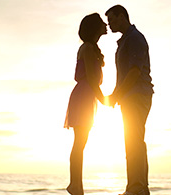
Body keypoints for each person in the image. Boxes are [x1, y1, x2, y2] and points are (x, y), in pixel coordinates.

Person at [105, 5, 154, 195]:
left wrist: (117, 94)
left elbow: (134, 72)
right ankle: (140, 188)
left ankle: (135, 189)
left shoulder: (134, 38)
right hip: (131, 95)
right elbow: (124, 75)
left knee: (134, 142)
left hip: (137, 95)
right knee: (135, 142)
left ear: (122, 16)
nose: (109, 25)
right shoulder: (126, 40)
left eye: (112, 20)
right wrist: (116, 94)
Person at [63, 13, 108, 195]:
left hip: (87, 96)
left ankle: (76, 185)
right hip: (84, 96)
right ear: (95, 27)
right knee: (79, 142)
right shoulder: (88, 48)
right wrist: (104, 99)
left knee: (81, 142)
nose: (106, 25)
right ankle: (75, 185)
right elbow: (90, 77)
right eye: (102, 23)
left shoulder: (91, 47)